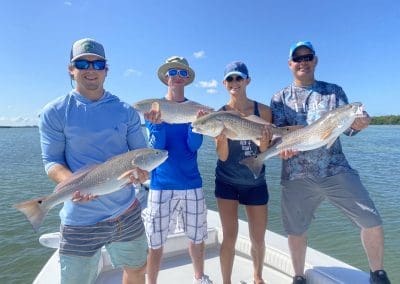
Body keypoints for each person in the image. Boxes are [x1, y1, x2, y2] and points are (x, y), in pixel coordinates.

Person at [270, 41, 391, 284]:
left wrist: (359, 123)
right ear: (290, 64)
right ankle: (298, 276)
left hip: (335, 169)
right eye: (298, 58)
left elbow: (348, 130)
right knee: (295, 230)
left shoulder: (334, 92)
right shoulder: (279, 98)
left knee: (371, 219)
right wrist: (279, 147)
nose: (303, 62)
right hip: (296, 175)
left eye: (308, 57)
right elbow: (279, 133)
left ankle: (378, 274)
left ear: (315, 61)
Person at [39, 38, 149, 284]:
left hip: (126, 212)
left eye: (98, 64)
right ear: (71, 69)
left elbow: (140, 154)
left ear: (106, 71)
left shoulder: (125, 110)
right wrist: (73, 184)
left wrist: (143, 174)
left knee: (137, 269)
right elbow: (51, 161)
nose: (91, 69)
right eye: (82, 63)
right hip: (79, 218)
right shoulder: (54, 112)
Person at [142, 56, 212, 284]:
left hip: (192, 183)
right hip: (161, 185)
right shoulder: (155, 109)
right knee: (155, 242)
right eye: (173, 72)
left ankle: (200, 277)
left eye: (182, 73)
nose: (178, 77)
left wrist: (197, 125)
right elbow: (156, 149)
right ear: (165, 77)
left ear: (187, 79)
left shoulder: (197, 109)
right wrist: (158, 125)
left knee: (197, 238)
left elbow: (193, 147)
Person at [214, 61, 273, 284]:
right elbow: (222, 156)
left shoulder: (264, 111)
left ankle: (258, 278)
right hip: (227, 181)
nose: (234, 83)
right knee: (229, 236)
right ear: (224, 83)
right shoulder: (219, 114)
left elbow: (265, 151)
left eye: (239, 78)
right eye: (230, 79)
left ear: (247, 80)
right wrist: (221, 139)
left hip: (255, 181)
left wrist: (266, 143)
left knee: (258, 239)